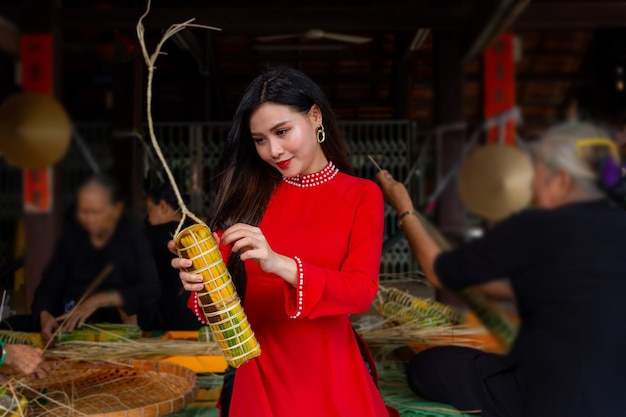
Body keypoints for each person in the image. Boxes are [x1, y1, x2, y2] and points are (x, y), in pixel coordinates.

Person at [171, 67, 393, 417]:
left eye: (282, 131)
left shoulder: (362, 195)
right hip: (260, 370)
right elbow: (220, 300)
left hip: (330, 372)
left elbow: (361, 291)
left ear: (315, 116)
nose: (273, 150)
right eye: (259, 140)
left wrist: (280, 263)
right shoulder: (248, 197)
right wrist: (199, 275)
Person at [375, 121, 626, 417]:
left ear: (561, 179)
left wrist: (404, 207)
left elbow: (436, 271)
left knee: (427, 367)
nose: (532, 184)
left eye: (537, 173)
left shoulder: (539, 227)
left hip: (550, 396)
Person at [32, 174, 161, 344]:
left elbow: (149, 289)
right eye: (84, 212)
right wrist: (45, 316)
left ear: (117, 210)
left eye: (96, 212)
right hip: (74, 339)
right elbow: (47, 289)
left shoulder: (133, 243)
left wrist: (97, 301)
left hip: (120, 338)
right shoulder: (72, 244)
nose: (88, 218)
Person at [145, 181, 202, 330]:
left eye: (149, 210)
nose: (148, 218)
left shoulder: (151, 236)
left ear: (163, 206)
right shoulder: (197, 231)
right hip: (200, 315)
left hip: (169, 320)